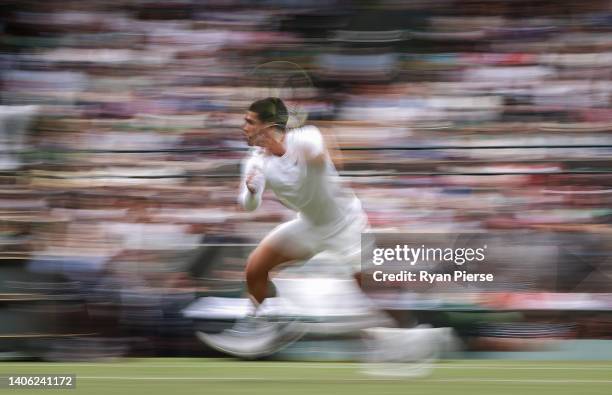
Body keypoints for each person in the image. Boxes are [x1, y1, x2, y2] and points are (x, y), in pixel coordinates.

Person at [197, 97, 370, 358]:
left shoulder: (305, 137)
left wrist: (314, 156)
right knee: (256, 267)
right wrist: (252, 190)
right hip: (310, 225)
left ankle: (407, 333)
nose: (243, 127)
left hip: (346, 224)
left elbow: (323, 157)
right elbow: (248, 205)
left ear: (267, 126)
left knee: (373, 289)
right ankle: (260, 324)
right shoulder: (255, 160)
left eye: (249, 122)